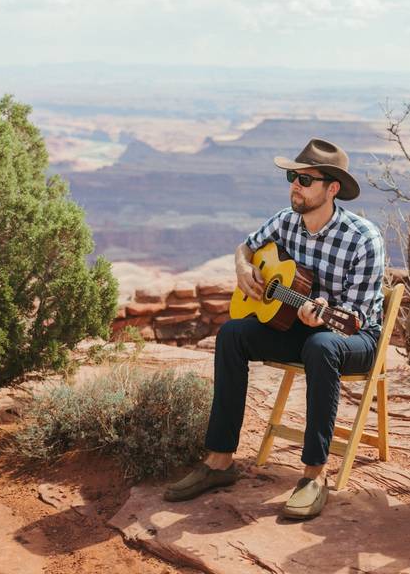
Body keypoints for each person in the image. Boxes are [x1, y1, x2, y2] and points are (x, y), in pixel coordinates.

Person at [163, 138, 385, 520]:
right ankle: (219, 461)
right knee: (232, 334)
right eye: (292, 176)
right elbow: (245, 249)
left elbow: (357, 316)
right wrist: (243, 269)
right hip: (299, 328)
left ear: (332, 189)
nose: (295, 185)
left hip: (353, 335)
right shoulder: (285, 220)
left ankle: (315, 474)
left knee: (321, 345)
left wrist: (325, 315)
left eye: (305, 179)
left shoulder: (363, 238)